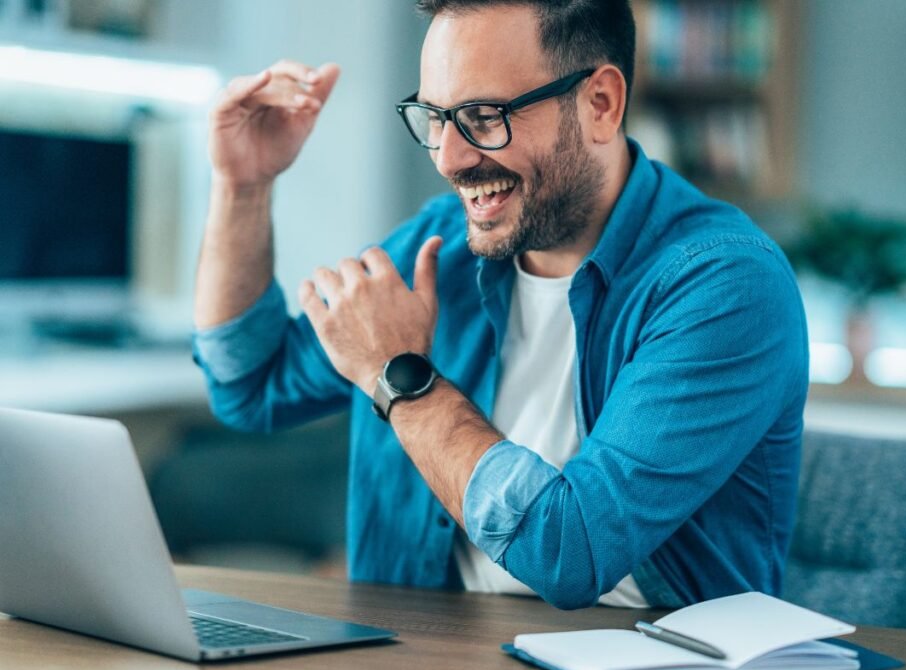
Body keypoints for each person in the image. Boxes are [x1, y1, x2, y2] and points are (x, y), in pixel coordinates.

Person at [193, 0, 809, 610]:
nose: (449, 157)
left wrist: (399, 376)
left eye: (484, 116)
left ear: (601, 104)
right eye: (435, 117)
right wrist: (242, 186)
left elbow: (569, 554)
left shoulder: (725, 284)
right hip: (424, 654)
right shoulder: (441, 245)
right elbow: (249, 386)